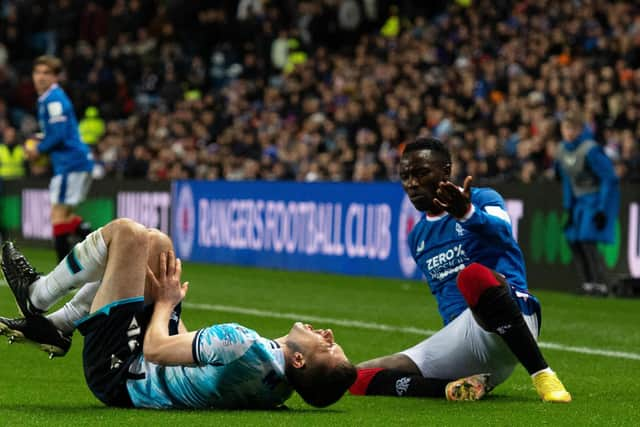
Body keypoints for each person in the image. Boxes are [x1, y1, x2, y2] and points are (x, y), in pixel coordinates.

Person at [0, 218, 357, 409]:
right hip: (149, 367)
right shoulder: (277, 388)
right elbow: (191, 364)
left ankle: (37, 296)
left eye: (327, 347)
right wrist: (164, 308)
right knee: (158, 244)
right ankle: (57, 328)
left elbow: (156, 350)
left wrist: (167, 303)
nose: (328, 335)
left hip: (121, 372)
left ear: (298, 360)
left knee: (127, 234)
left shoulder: (241, 343)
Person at [349, 137, 572, 403]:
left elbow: (501, 231)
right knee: (358, 376)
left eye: (421, 173)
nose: (412, 183)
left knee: (473, 276)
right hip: (464, 340)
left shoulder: (483, 199)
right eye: (405, 176)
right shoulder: (418, 236)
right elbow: (445, 299)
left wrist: (466, 213)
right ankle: (450, 388)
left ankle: (542, 374)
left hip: (514, 318)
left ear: (445, 171)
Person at [29, 55, 94, 262]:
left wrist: (38, 149)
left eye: (46, 73)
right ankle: (101, 249)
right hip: (73, 162)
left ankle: (63, 272)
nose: (41, 77)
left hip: (70, 163)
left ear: (56, 77)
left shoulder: (53, 99)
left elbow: (59, 134)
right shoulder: (49, 98)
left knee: (58, 216)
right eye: (38, 72)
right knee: (66, 218)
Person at [556, 111, 620, 296]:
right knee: (573, 240)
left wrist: (602, 209)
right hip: (578, 201)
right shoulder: (562, 150)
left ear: (580, 129)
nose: (568, 132)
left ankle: (601, 284)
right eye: (565, 128)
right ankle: (588, 283)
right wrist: (568, 207)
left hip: (594, 198)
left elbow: (609, 178)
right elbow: (568, 180)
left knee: (587, 240)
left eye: (572, 128)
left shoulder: (590, 149)